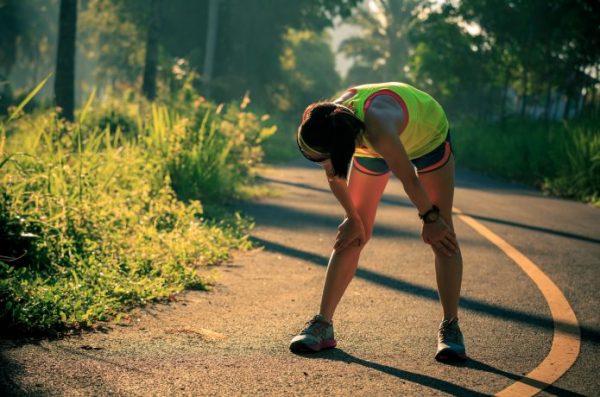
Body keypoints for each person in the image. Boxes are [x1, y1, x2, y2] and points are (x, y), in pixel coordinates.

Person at [289, 82, 466, 362]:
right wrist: (352, 217)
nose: (325, 165)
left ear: (344, 147)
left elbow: (409, 179)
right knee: (353, 234)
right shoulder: (329, 121)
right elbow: (334, 176)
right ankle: (323, 324)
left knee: (442, 234)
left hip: (427, 136)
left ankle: (451, 327)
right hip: (370, 143)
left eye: (326, 158)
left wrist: (430, 218)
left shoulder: (377, 128)